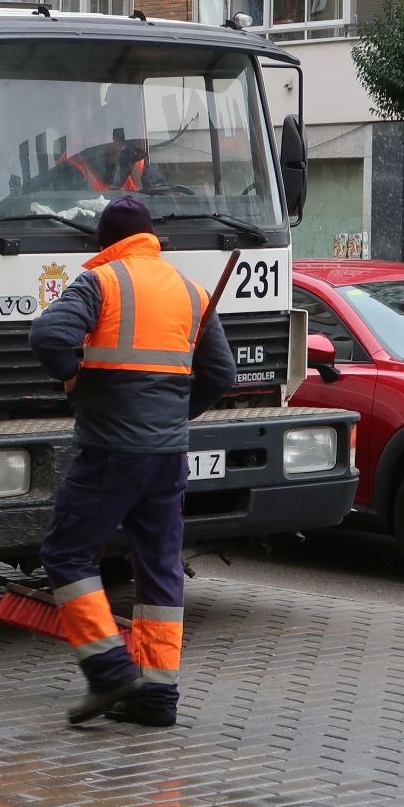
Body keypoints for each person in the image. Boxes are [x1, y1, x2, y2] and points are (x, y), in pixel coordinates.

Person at [27, 195, 236, 728]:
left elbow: (49, 335)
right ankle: (156, 697)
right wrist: (174, 414)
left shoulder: (102, 282)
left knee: (66, 553)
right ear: (150, 239)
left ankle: (108, 668)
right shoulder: (191, 292)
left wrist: (73, 378)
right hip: (166, 457)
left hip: (110, 451)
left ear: (106, 242)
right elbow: (221, 375)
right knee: (160, 570)